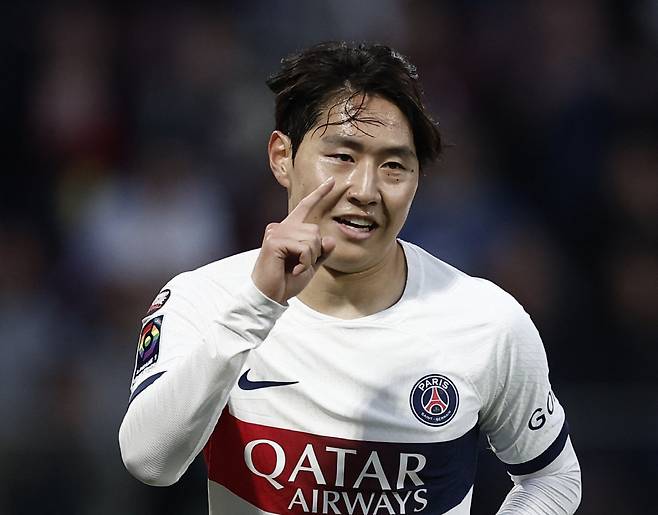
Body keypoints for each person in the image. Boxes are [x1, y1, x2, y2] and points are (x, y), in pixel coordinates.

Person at [119, 42, 582, 514]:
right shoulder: (204, 300)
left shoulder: (486, 320)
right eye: (342, 156)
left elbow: (553, 477)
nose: (365, 190)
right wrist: (257, 306)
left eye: (394, 166)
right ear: (282, 156)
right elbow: (150, 461)